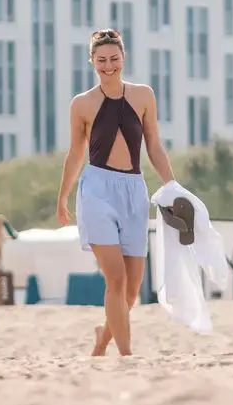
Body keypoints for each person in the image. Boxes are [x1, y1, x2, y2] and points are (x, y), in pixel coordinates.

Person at [56, 28, 177, 356]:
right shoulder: (82, 103)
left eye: (114, 59)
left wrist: (171, 185)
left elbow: (154, 145)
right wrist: (63, 196)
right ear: (91, 61)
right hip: (97, 190)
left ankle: (104, 337)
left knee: (132, 288)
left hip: (134, 190)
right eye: (101, 60)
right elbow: (76, 153)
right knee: (116, 279)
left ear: (123, 58)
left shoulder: (143, 96)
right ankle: (126, 356)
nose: (108, 66)